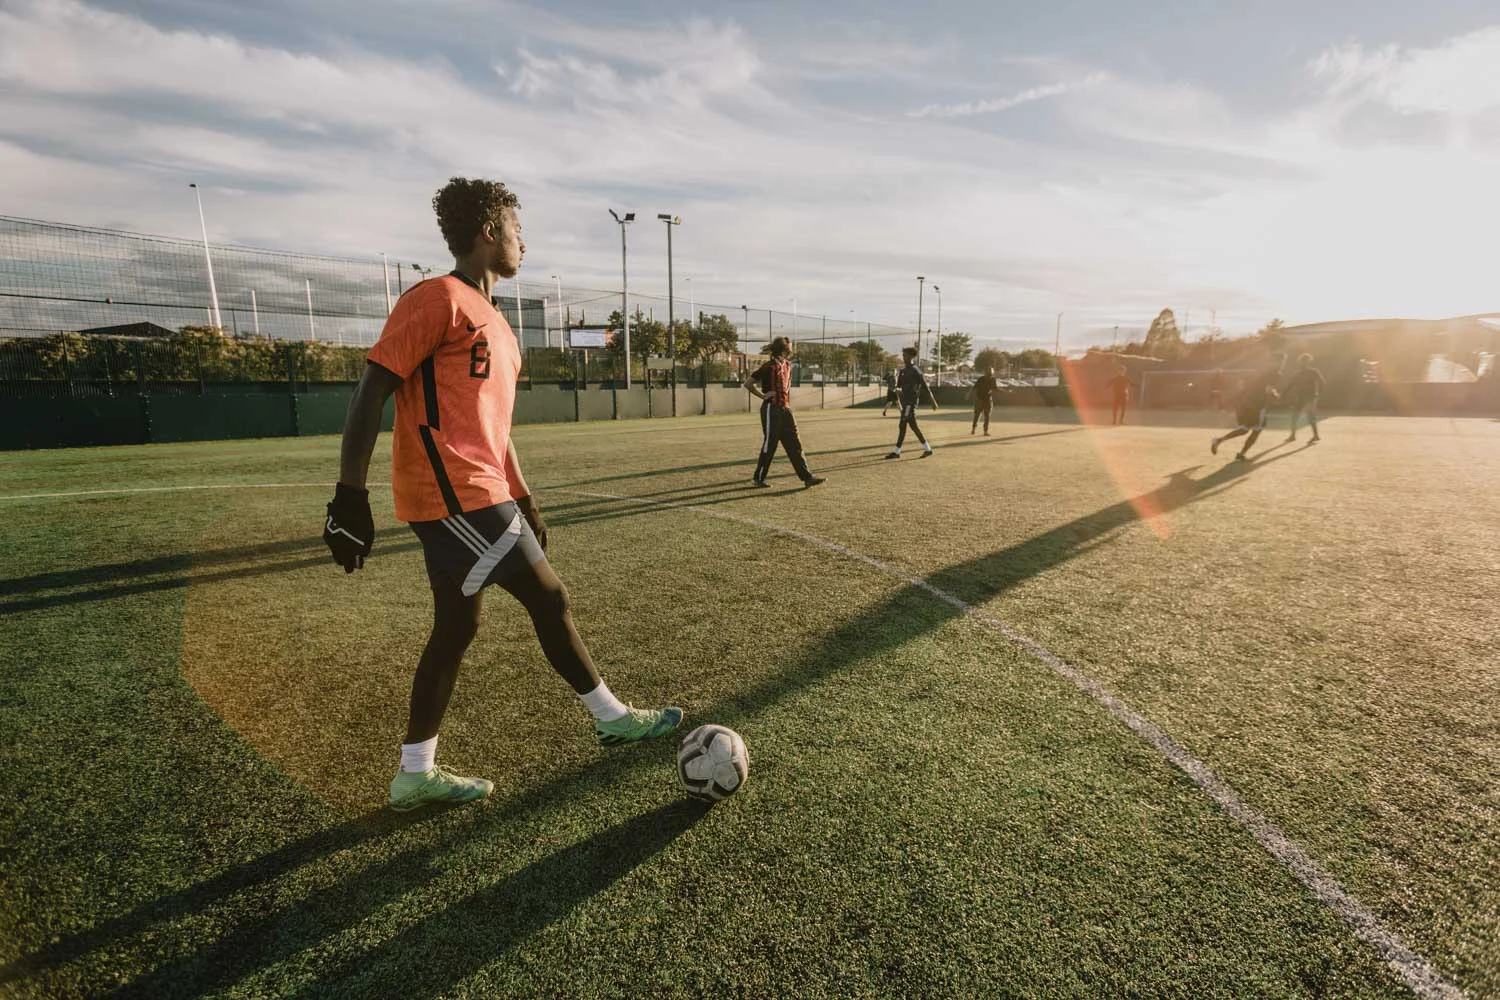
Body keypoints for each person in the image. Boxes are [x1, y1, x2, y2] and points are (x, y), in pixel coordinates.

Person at [322, 177, 682, 812]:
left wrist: (527, 499)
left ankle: (414, 773)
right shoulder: (436, 299)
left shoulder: (501, 326)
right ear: (489, 232)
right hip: (451, 490)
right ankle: (611, 716)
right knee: (550, 596)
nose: (524, 240)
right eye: (518, 228)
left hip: (484, 489)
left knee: (457, 627)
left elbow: (497, 430)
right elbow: (372, 388)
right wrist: (350, 493)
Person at [744, 336, 826, 488]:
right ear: (784, 350)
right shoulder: (768, 367)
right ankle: (758, 478)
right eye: (790, 346)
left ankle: (807, 478)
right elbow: (748, 384)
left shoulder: (788, 365)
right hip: (771, 409)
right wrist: (763, 396)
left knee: (795, 443)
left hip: (786, 409)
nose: (792, 349)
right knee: (770, 444)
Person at [1211, 353, 1285, 461]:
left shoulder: (1262, 370)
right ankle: (1240, 453)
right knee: (1257, 429)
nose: (1282, 364)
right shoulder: (1276, 373)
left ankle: (1219, 441)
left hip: (1246, 402)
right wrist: (1276, 395)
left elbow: (1245, 382)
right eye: (1281, 361)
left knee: (1245, 429)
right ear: (1277, 362)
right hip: (1258, 404)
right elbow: (1269, 390)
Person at [886, 346, 938, 459]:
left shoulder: (916, 370)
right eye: (903, 355)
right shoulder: (903, 371)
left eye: (905, 355)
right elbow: (899, 387)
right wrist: (897, 390)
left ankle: (897, 451)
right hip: (905, 402)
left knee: (903, 424)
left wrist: (932, 400)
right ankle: (927, 449)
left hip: (911, 402)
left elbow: (924, 386)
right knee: (913, 426)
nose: (903, 357)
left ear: (911, 356)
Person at [1284, 353, 1325, 443]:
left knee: (1310, 416)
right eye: (1302, 361)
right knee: (1295, 416)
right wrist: (1284, 393)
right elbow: (1291, 384)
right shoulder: (1298, 373)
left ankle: (1315, 435)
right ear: (1300, 362)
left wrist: (1318, 394)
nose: (1304, 363)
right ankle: (1293, 436)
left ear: (1309, 362)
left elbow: (1321, 382)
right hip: (1300, 397)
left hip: (1310, 397)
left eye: (1305, 361)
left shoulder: (1314, 372)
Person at [968, 367, 998, 435]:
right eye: (989, 372)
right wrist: (968, 394)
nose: (990, 373)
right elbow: (974, 387)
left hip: (986, 400)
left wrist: (1006, 392)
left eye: (990, 372)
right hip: (981, 399)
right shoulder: (981, 379)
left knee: (985, 416)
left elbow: (995, 388)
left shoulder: (992, 379)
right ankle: (974, 429)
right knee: (979, 415)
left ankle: (983, 431)